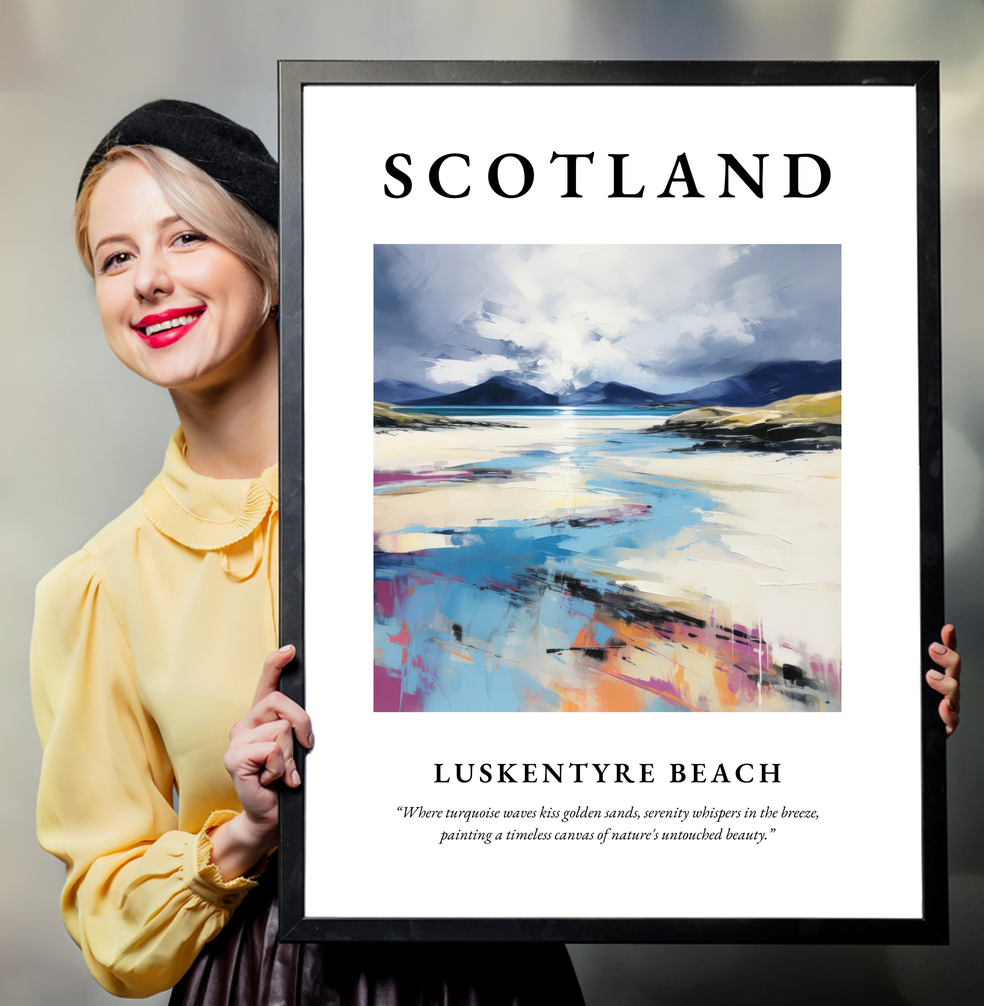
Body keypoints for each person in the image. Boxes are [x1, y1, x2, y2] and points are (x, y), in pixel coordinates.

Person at [30, 100, 585, 1004]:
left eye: (186, 239)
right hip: (263, 982)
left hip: (492, 973)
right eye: (116, 257)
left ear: (273, 264)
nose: (148, 281)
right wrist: (245, 832)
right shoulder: (97, 587)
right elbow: (110, 924)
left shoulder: (461, 495)